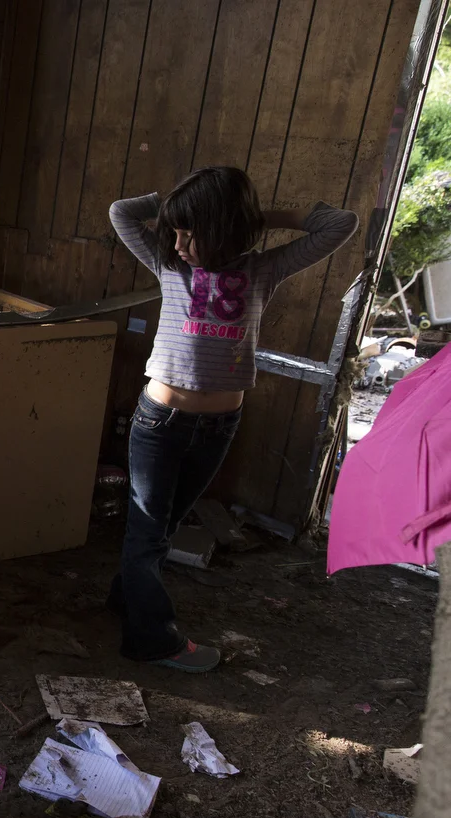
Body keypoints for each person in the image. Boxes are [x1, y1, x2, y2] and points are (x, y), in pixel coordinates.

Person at [107, 166, 358, 672]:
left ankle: (126, 601)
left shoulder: (264, 269)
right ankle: (151, 640)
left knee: (162, 526)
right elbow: (123, 212)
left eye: (190, 233)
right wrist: (181, 209)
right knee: (149, 530)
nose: (177, 243)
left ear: (226, 230)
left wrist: (253, 218)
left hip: (218, 427)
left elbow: (341, 224)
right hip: (160, 422)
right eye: (175, 231)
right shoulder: (168, 265)